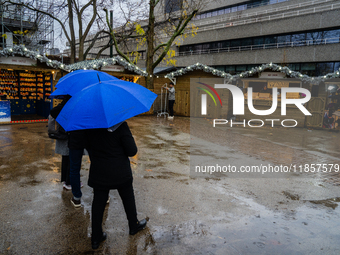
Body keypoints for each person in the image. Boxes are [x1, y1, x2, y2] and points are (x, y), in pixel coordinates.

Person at [84, 121, 147, 250]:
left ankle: (96, 237)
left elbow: (85, 146)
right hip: (120, 171)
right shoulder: (120, 125)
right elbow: (132, 150)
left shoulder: (90, 126)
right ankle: (133, 225)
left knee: (98, 202)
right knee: (128, 197)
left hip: (99, 171)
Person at [50, 95, 71, 190]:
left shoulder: (63, 105)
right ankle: (68, 181)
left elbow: (53, 112)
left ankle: (65, 180)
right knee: (71, 159)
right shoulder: (68, 105)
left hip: (63, 135)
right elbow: (53, 112)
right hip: (68, 136)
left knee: (66, 158)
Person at [68, 130, 86, 208]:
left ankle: (77, 198)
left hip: (75, 136)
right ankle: (103, 195)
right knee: (98, 164)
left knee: (74, 169)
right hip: (93, 134)